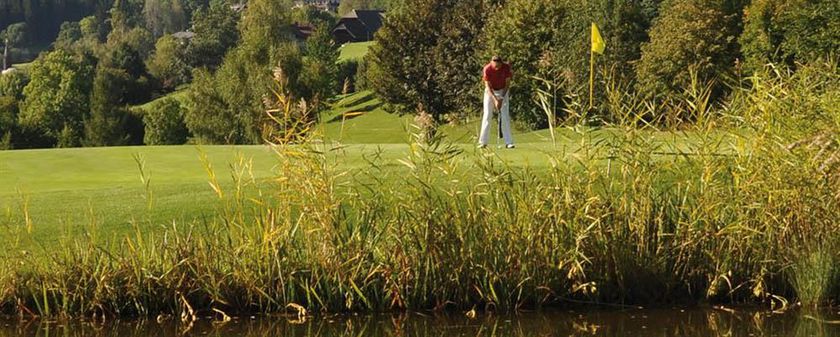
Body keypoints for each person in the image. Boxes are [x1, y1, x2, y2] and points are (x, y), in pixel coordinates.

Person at [479, 55, 514, 149]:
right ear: (491, 62)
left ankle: (509, 142)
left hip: (503, 90)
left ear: (501, 63)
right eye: (495, 65)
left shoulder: (506, 68)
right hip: (490, 92)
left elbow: (507, 84)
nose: (497, 67)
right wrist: (495, 99)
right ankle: (483, 142)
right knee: (487, 115)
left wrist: (501, 98)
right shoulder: (487, 69)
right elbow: (488, 87)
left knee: (505, 115)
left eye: (498, 65)